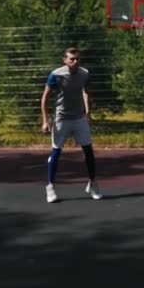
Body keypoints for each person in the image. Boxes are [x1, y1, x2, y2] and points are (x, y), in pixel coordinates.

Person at [40, 47, 102, 203]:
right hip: (61, 118)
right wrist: (45, 120)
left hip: (79, 118)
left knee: (88, 150)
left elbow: (86, 91)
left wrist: (88, 110)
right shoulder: (56, 75)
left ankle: (92, 183)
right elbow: (45, 98)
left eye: (77, 59)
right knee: (56, 151)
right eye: (71, 59)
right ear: (65, 60)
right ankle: (50, 187)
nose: (75, 62)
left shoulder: (84, 74)